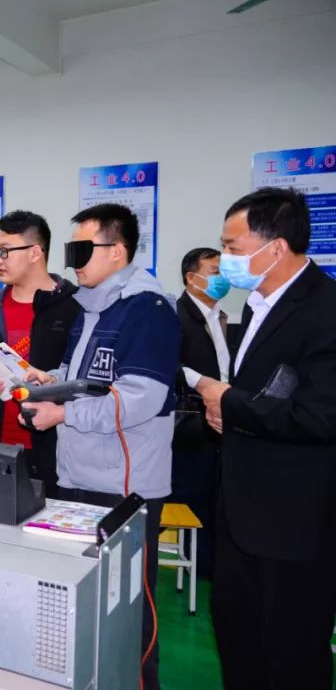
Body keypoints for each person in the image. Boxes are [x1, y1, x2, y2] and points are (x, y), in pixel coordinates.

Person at [22, 204, 177, 690]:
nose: (73, 262)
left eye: (82, 250)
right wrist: (48, 381)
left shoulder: (147, 309)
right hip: (78, 475)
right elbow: (83, 379)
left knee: (129, 610)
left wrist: (63, 414)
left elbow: (141, 398)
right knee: (86, 604)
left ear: (117, 251)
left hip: (125, 487)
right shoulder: (92, 306)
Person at [197, 187, 336, 690]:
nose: (224, 259)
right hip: (240, 513)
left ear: (275, 247)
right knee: (240, 644)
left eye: (232, 247)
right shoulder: (258, 305)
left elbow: (319, 417)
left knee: (292, 655)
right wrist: (228, 415)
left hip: (294, 525)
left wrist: (228, 401)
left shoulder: (325, 309)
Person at [0, 211, 80, 491]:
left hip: (53, 446)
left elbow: (82, 376)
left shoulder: (74, 307)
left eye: (5, 251)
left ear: (35, 252)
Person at [170, 247, 230, 579]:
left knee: (216, 497)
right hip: (191, 422)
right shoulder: (176, 315)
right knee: (192, 494)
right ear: (192, 278)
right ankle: (201, 569)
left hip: (224, 419)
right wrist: (204, 384)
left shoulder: (221, 316)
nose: (223, 278)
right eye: (215, 271)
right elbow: (170, 363)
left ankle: (212, 566)